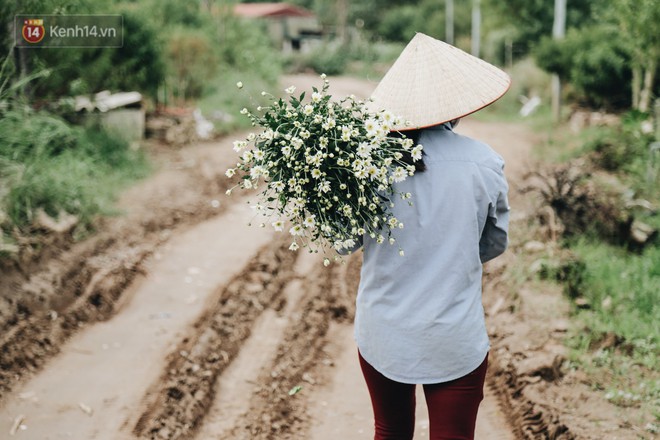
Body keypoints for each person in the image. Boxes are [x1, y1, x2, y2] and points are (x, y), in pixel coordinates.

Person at [350, 33, 511, 440]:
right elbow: (493, 244)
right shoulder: (484, 163)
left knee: (389, 431)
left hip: (384, 334)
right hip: (453, 335)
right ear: (452, 104)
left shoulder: (364, 166)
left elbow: (343, 242)